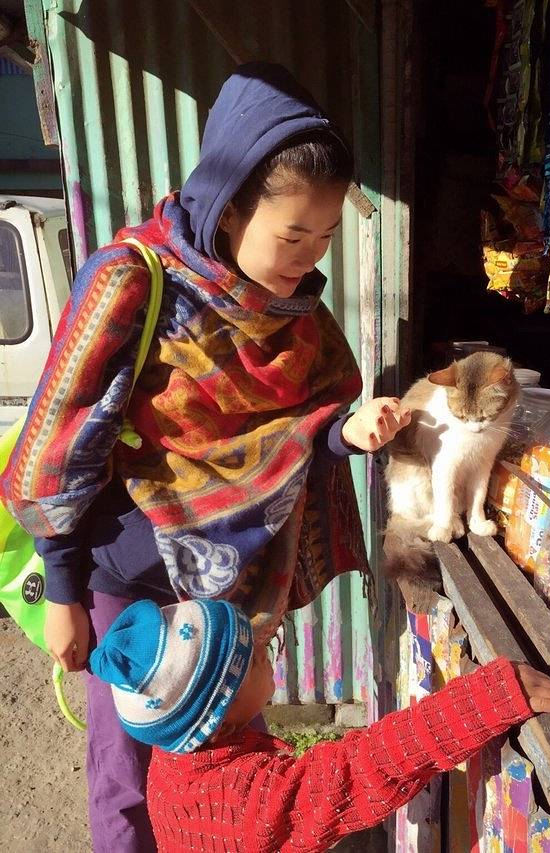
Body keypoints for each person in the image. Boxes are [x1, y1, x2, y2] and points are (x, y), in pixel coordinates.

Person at [0, 63, 410, 852]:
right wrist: (63, 588)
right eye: (292, 235)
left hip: (230, 591)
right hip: (127, 579)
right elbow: (61, 448)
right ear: (230, 209)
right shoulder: (130, 281)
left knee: (225, 776)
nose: (308, 258)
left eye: (324, 236)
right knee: (126, 778)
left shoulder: (294, 313)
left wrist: (347, 432)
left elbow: (294, 430)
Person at [90, 598, 550, 853]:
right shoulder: (245, 806)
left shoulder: (174, 761)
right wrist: (484, 699)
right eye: (252, 660)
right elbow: (357, 772)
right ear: (217, 722)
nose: (267, 650)